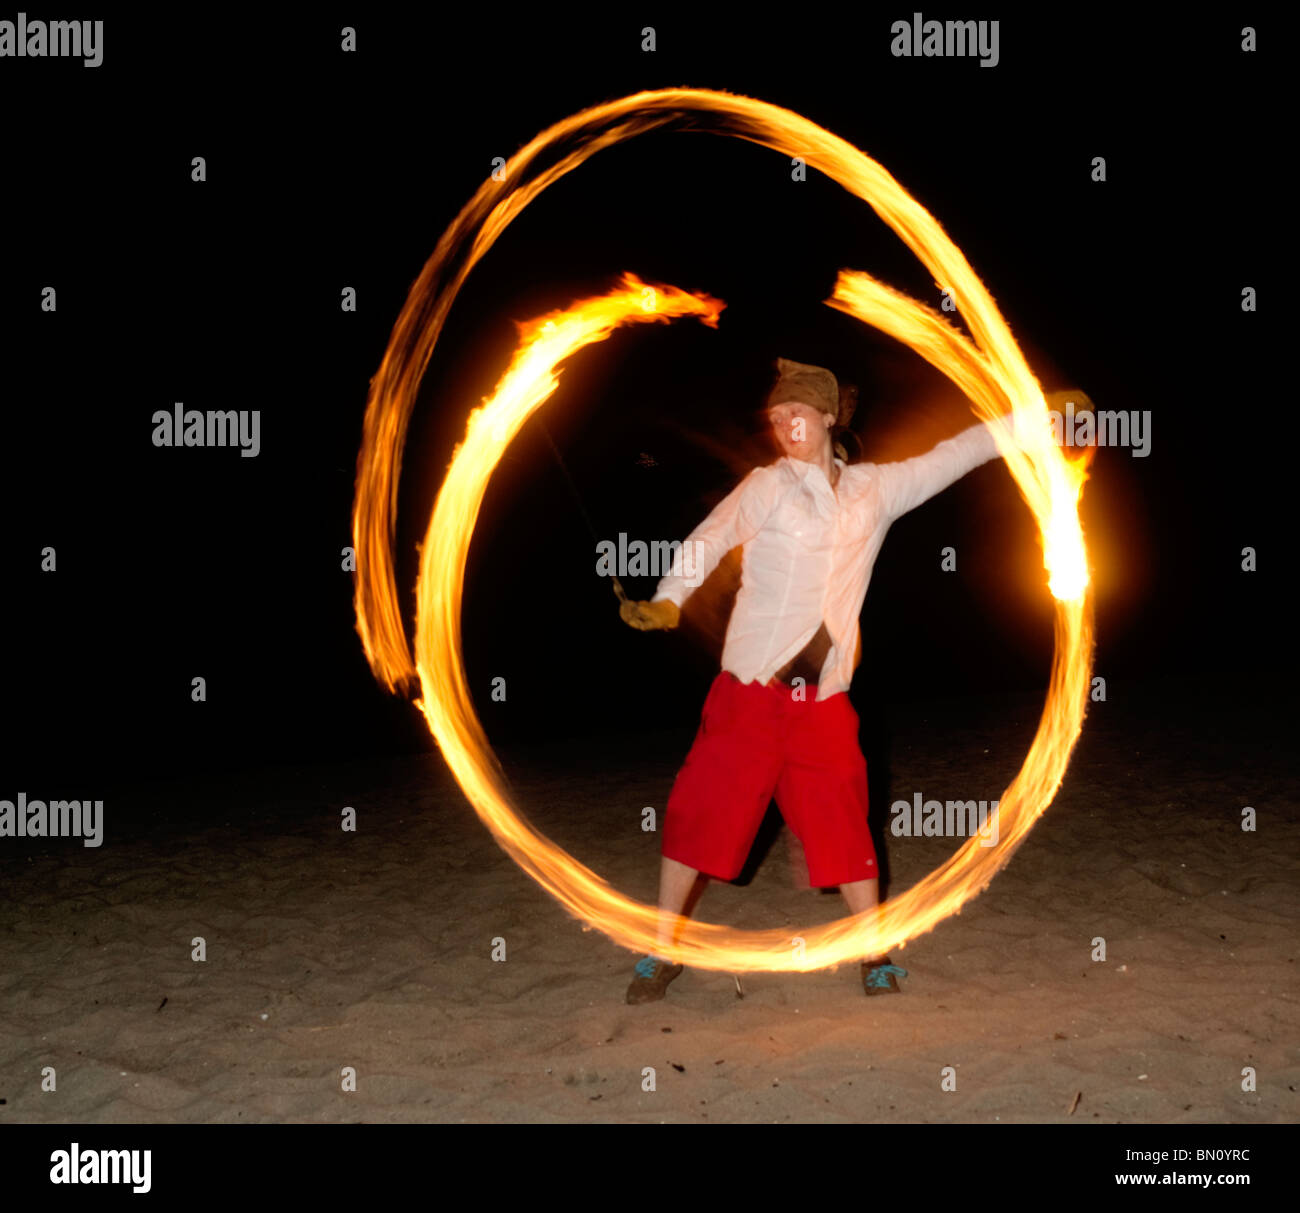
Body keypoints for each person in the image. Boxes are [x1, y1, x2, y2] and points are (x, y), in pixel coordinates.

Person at [619, 356, 1022, 1004]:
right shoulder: (768, 485)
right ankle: (661, 951)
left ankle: (873, 954)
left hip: (823, 699)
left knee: (845, 826)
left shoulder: (876, 490)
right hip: (751, 689)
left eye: (795, 412)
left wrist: (1030, 420)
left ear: (829, 415)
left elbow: (958, 452)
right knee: (697, 814)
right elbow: (712, 535)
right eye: (776, 416)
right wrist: (670, 597)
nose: (783, 424)